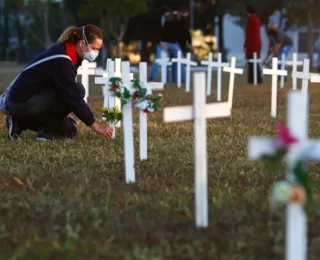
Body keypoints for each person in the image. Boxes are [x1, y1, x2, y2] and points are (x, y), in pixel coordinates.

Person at [0, 24, 113, 141]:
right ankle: (44, 132)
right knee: (78, 90)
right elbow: (72, 96)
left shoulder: (69, 52)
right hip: (21, 101)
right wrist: (96, 127)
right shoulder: (62, 59)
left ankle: (20, 123)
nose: (96, 53)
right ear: (82, 44)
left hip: (33, 98)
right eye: (94, 48)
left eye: (98, 50)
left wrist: (64, 112)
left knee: (69, 130)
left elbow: (61, 86)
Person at [160, 10, 186, 84]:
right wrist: (161, 41)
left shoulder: (179, 21)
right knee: (165, 61)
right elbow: (160, 29)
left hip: (175, 43)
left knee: (180, 60)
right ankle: (166, 80)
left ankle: (180, 79)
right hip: (165, 42)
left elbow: (183, 30)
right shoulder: (166, 19)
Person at [148, 6, 171, 81]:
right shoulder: (162, 20)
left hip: (166, 41)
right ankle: (152, 76)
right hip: (162, 42)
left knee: (166, 60)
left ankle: (166, 78)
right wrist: (161, 41)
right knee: (159, 59)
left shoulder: (165, 20)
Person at [244, 4, 262, 84]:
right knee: (255, 62)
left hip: (252, 45)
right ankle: (257, 79)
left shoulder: (251, 20)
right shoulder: (257, 20)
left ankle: (252, 79)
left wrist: (246, 45)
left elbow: (249, 35)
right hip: (257, 44)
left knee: (251, 62)